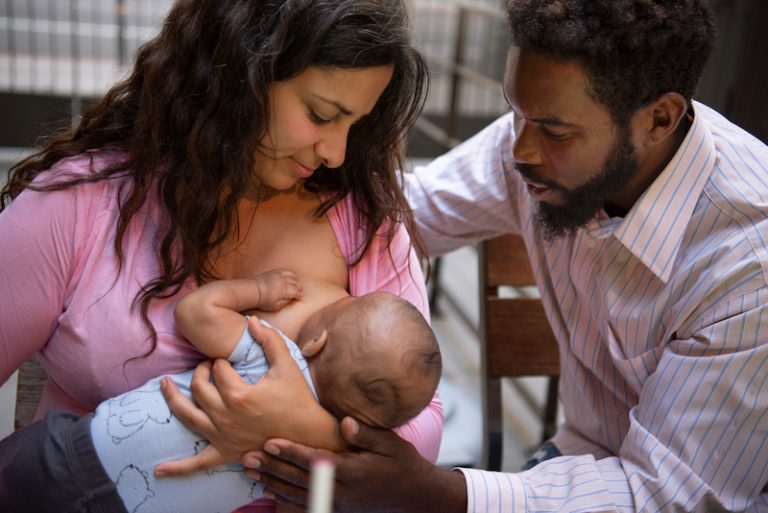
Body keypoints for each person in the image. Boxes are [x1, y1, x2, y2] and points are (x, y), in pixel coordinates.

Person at [158, 0, 768, 512]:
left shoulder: (748, 264)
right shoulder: (533, 151)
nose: (520, 149)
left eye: (553, 131)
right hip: (569, 466)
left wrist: (435, 491)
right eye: (515, 113)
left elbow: (670, 496)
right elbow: (397, 215)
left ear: (659, 118)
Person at [0, 1, 444, 513]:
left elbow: (423, 423)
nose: (338, 154)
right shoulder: (82, 204)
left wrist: (302, 427)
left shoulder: (363, 223)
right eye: (322, 114)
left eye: (356, 123)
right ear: (240, 78)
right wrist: (325, 441)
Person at [0, 269, 441, 513]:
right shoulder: (304, 462)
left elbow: (195, 312)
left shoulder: (275, 355)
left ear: (316, 341)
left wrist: (259, 288)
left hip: (72, 453)